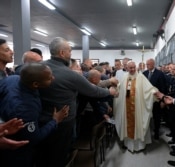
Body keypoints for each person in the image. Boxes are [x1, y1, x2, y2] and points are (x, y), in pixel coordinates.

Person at [36, 37, 117, 167]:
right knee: (59, 156)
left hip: (40, 120)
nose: (71, 53)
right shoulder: (69, 74)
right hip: (63, 122)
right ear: (62, 53)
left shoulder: (38, 67)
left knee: (43, 156)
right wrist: (109, 92)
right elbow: (93, 90)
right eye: (69, 50)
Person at [0, 62, 69, 167]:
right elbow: (34, 138)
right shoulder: (25, 108)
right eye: (49, 78)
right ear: (35, 84)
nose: (54, 78)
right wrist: (55, 121)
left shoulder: (12, 79)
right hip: (16, 150)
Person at [113, 61, 158, 152]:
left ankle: (139, 146)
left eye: (134, 67)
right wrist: (115, 90)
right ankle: (129, 145)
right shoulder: (124, 77)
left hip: (138, 108)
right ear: (127, 68)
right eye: (130, 68)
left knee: (138, 124)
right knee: (127, 125)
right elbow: (119, 88)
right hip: (126, 107)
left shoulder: (141, 77)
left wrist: (153, 92)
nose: (133, 69)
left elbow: (148, 89)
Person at [143, 58, 167, 140]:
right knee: (147, 117)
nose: (147, 66)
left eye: (148, 64)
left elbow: (163, 87)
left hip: (157, 100)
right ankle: (147, 132)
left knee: (157, 117)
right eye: (146, 64)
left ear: (153, 64)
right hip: (146, 100)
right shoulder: (144, 73)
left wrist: (163, 100)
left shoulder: (160, 74)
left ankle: (156, 132)